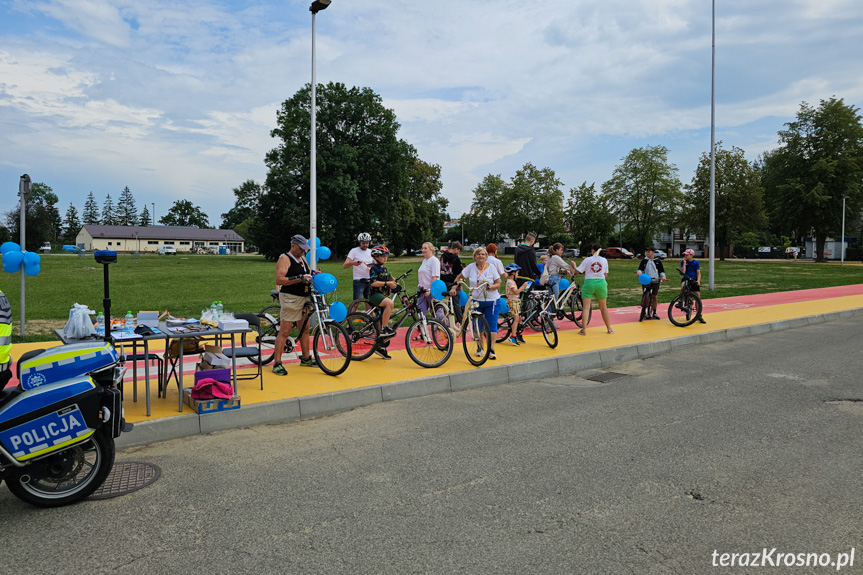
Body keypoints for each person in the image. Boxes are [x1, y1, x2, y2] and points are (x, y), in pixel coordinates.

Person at [272, 234, 319, 376]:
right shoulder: (284, 259)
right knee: (285, 331)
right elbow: (279, 280)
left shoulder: (302, 259)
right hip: (290, 298)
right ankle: (277, 363)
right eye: (301, 248)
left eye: (304, 249)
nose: (303, 251)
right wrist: (298, 278)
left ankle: (306, 358)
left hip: (304, 296)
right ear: (293, 245)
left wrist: (313, 273)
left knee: (304, 329)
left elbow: (306, 272)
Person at [453, 247, 501, 359]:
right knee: (476, 326)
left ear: (486, 257)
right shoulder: (471, 267)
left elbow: (498, 283)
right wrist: (454, 287)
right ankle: (480, 347)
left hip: (492, 300)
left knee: (491, 325)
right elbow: (459, 277)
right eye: (478, 254)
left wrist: (491, 287)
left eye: (483, 254)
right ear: (474, 256)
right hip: (476, 301)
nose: (481, 256)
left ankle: (491, 349)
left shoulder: (492, 268)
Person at [575, 243, 614, 335]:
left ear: (593, 250)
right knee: (603, 307)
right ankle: (609, 328)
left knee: (586, 307)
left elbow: (578, 271)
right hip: (601, 283)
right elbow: (605, 274)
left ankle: (584, 329)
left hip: (589, 283)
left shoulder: (587, 260)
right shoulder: (604, 260)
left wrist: (573, 265)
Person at [368, 245, 398, 359]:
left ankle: (381, 348)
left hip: (383, 296)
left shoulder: (384, 269)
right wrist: (387, 284)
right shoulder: (374, 268)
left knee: (381, 320)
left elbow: (388, 278)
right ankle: (385, 327)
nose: (385, 258)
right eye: (383, 256)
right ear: (376, 256)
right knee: (389, 303)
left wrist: (392, 281)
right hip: (375, 296)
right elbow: (373, 283)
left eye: (386, 256)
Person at [635, 247, 668, 320]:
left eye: (649, 252)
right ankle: (644, 310)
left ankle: (654, 312)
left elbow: (661, 271)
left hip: (655, 280)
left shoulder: (658, 261)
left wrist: (663, 277)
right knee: (645, 294)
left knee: (654, 296)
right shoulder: (644, 261)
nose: (647, 253)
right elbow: (640, 269)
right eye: (646, 252)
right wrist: (639, 273)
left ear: (653, 252)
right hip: (646, 280)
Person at [343, 232, 374, 303]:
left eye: (367, 243)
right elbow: (345, 265)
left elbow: (375, 262)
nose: (365, 245)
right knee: (356, 302)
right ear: (360, 242)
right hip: (359, 280)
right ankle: (352, 314)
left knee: (370, 302)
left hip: (370, 279)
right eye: (363, 243)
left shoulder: (371, 251)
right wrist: (353, 263)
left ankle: (368, 314)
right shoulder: (354, 251)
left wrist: (373, 265)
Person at [440, 241, 465, 323]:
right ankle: (461, 322)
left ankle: (444, 319)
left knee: (445, 302)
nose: (458, 252)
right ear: (456, 249)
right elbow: (459, 273)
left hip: (443, 282)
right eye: (459, 251)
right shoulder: (455, 258)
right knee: (456, 301)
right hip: (452, 282)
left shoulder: (442, 256)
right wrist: (460, 284)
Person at [680, 248, 707, 324]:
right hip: (686, 278)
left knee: (697, 296)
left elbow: (698, 272)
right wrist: (684, 263)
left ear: (692, 255)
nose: (685, 256)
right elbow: (683, 272)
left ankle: (699, 315)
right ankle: (681, 301)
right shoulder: (683, 262)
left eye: (687, 255)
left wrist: (698, 280)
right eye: (685, 254)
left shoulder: (696, 262)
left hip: (694, 279)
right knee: (682, 287)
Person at [504, 263, 528, 346]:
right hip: (512, 302)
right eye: (517, 272)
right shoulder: (510, 282)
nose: (518, 274)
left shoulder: (512, 281)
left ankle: (518, 335)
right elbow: (516, 292)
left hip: (516, 301)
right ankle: (513, 336)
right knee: (516, 319)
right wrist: (523, 286)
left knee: (520, 319)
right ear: (513, 273)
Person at [417, 242, 440, 316]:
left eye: (425, 248)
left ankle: (445, 325)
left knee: (436, 312)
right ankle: (422, 326)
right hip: (422, 289)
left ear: (431, 250)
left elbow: (435, 277)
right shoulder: (424, 260)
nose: (423, 250)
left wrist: (429, 289)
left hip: (431, 289)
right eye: (422, 248)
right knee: (420, 310)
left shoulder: (434, 261)